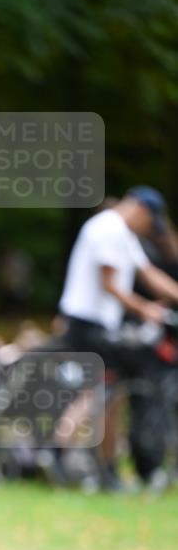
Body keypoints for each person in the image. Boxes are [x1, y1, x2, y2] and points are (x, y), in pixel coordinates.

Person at [58, 187, 178, 488]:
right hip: (87, 325)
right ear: (140, 209)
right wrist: (145, 308)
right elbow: (109, 284)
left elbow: (148, 273)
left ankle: (103, 467)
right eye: (149, 223)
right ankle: (61, 451)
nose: (148, 230)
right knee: (101, 391)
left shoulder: (122, 233)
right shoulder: (108, 229)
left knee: (107, 392)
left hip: (99, 326)